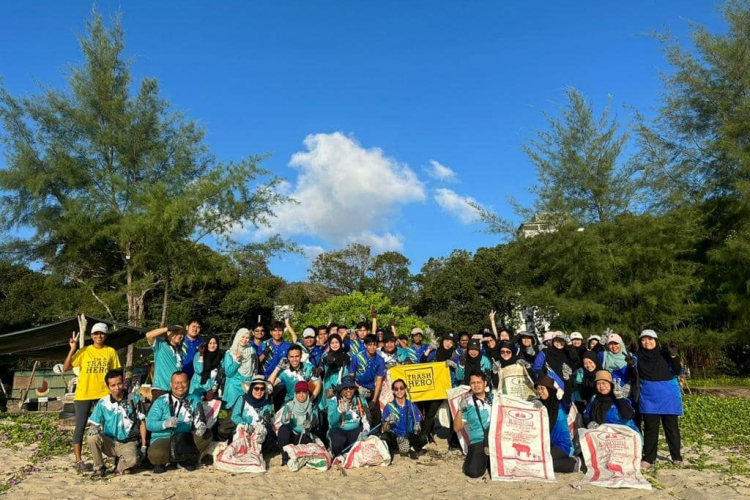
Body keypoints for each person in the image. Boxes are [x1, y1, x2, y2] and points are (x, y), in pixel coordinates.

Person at [62, 322, 121, 473]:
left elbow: (115, 374)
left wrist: (118, 390)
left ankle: (115, 456)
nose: (98, 336)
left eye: (101, 333)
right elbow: (66, 367)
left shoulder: (110, 351)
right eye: (96, 334)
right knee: (80, 426)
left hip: (103, 394)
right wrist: (73, 349)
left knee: (110, 425)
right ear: (92, 336)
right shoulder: (84, 351)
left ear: (105, 335)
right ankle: (79, 460)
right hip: (84, 394)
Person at [145, 371, 211, 473]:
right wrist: (164, 424)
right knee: (156, 455)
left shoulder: (194, 399)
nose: (180, 385)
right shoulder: (161, 401)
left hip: (185, 437)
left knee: (206, 434)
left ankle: (184, 460)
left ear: (188, 383)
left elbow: (199, 419)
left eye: (183, 382)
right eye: (176, 383)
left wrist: (201, 426)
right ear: (171, 384)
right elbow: (149, 424)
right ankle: (168, 461)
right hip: (164, 437)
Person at [636, 329, 683, 469]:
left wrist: (674, 356)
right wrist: (632, 365)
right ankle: (649, 458)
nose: (647, 342)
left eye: (650, 339)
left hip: (668, 395)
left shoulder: (665, 355)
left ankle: (676, 456)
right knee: (650, 428)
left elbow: (677, 371)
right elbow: (633, 374)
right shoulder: (638, 357)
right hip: (649, 396)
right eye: (644, 339)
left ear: (656, 341)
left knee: (672, 428)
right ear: (640, 342)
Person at [86, 369, 146, 477]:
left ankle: (120, 464)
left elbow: (142, 422)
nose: (117, 388)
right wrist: (93, 427)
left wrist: (144, 445)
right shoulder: (103, 402)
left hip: (129, 442)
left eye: (119, 384)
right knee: (92, 437)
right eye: (113, 385)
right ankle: (99, 468)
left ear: (123, 382)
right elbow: (94, 422)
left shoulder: (133, 398)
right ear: (108, 387)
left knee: (133, 460)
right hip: (110, 442)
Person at [534, 375, 582, 473]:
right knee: (536, 459)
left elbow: (567, 397)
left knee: (542, 461)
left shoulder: (561, 405)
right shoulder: (539, 405)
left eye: (543, 388)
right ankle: (564, 462)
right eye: (538, 389)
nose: (540, 391)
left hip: (563, 445)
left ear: (550, 389)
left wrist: (567, 380)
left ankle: (572, 464)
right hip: (547, 445)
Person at [453, 372, 493, 478]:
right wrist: (460, 409)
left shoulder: (494, 399)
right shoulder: (467, 402)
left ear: (485, 383)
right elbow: (457, 428)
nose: (476, 385)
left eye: (479, 382)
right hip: (478, 441)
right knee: (473, 472)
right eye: (473, 383)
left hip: (495, 439)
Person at [381, 379, 424, 460]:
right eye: (396, 389)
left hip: (408, 436)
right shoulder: (389, 406)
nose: (399, 391)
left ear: (405, 389)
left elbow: (418, 423)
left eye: (401, 388)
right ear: (393, 391)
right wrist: (388, 421)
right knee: (384, 436)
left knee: (422, 437)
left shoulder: (412, 405)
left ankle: (412, 449)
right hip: (396, 437)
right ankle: (389, 455)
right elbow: (384, 429)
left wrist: (417, 427)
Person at [230, 375, 276, 452]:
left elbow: (268, 420)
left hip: (261, 434)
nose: (259, 391)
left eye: (262, 389)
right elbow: (235, 416)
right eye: (256, 388)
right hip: (245, 429)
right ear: (251, 388)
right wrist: (246, 425)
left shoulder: (268, 404)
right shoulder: (242, 399)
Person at [327, 378, 371, 457]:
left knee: (369, 438)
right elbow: (331, 422)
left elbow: (366, 419)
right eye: (345, 388)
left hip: (355, 429)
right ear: (342, 389)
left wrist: (365, 431)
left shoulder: (360, 399)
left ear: (354, 388)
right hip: (339, 429)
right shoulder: (334, 400)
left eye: (351, 388)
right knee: (338, 442)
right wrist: (339, 411)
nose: (348, 390)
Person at [278, 381, 319, 466]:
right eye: (298, 392)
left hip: (305, 435)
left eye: (304, 392)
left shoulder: (312, 406)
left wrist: (310, 425)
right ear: (295, 394)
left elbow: (316, 423)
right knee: (283, 430)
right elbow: (283, 421)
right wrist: (286, 419)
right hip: (292, 436)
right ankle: (285, 458)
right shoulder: (289, 405)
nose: (301, 395)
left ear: (308, 393)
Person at [348, 334, 386, 424]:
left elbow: (379, 381)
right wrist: (358, 388)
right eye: (369, 344)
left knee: (376, 415)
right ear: (365, 345)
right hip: (357, 388)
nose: (372, 347)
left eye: (374, 344)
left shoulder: (380, 360)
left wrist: (374, 400)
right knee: (359, 414)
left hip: (372, 389)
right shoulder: (356, 357)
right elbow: (350, 376)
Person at [146, 324, 185, 400]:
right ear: (168, 333)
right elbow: (149, 335)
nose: (179, 335)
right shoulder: (161, 344)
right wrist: (168, 328)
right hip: (161, 389)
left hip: (175, 390)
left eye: (181, 333)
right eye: (176, 332)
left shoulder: (180, 350)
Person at [222, 328, 257, 411]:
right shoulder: (230, 353)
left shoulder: (252, 350)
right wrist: (237, 360)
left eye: (247, 337)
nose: (245, 340)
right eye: (242, 337)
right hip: (233, 388)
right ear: (238, 337)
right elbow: (228, 373)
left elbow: (254, 368)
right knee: (232, 415)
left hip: (247, 386)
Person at [532, 333, 575, 402]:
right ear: (552, 341)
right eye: (557, 341)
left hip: (568, 385)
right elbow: (537, 368)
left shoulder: (567, 353)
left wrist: (570, 344)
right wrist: (546, 381)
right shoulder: (545, 352)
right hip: (551, 386)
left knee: (567, 408)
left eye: (561, 341)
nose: (559, 343)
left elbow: (575, 360)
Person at [598, 333, 637, 401]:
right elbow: (591, 356)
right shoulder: (603, 355)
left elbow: (636, 376)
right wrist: (600, 343)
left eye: (616, 343)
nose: (613, 346)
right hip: (608, 395)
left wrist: (632, 366)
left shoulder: (630, 357)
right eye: (610, 344)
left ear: (621, 343)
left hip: (627, 395)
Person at [189, 334, 223, 399]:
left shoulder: (219, 356)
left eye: (214, 343)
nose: (212, 346)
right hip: (197, 386)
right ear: (206, 344)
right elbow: (198, 370)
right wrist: (201, 355)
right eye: (210, 343)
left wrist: (213, 390)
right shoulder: (199, 354)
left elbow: (220, 374)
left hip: (209, 388)